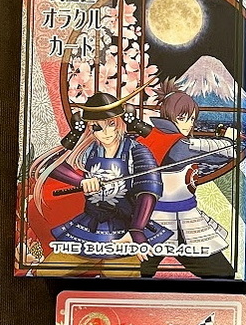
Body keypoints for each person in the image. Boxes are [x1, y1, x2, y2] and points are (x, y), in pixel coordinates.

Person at [29, 91, 170, 276]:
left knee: (122, 283)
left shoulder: (137, 151)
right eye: (98, 127)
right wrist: (81, 180)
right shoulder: (89, 149)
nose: (106, 133)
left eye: (111, 124)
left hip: (124, 229)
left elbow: (148, 190)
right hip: (89, 228)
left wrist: (136, 229)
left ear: (121, 121)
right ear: (89, 127)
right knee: (46, 273)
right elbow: (50, 164)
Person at [139, 78, 239, 278]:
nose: (189, 124)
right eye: (183, 118)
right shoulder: (179, 146)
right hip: (170, 220)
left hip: (156, 219)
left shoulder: (150, 137)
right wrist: (228, 139)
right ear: (169, 116)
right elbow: (224, 153)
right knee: (223, 274)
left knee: (141, 272)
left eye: (192, 119)